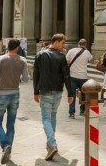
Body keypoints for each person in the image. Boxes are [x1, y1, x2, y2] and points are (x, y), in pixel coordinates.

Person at [33, 33, 73, 161]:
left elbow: (36, 74)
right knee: (52, 116)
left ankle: (52, 144)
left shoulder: (40, 55)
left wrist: (35, 91)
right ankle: (50, 144)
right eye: (62, 43)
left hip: (45, 91)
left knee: (46, 118)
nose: (64, 45)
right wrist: (70, 93)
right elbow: (67, 76)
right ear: (55, 41)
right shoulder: (61, 57)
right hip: (58, 91)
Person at [0, 39, 28, 164]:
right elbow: (26, 79)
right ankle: (8, 150)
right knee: (10, 124)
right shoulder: (23, 60)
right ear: (17, 48)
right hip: (15, 94)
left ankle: (5, 145)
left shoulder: (1, 59)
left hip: (2, 95)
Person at [66, 38, 94, 118]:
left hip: (72, 76)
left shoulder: (71, 51)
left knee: (72, 95)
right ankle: (82, 110)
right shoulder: (87, 52)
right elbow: (92, 61)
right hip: (83, 77)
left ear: (78, 44)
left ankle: (71, 113)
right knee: (83, 95)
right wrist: (87, 50)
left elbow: (67, 62)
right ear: (85, 45)